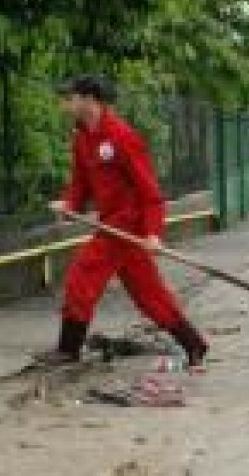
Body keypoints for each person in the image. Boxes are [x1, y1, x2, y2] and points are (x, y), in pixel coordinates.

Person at [43, 75, 208, 368]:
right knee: (149, 294)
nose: (65, 103)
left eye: (70, 97)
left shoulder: (122, 135)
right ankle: (193, 343)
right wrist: (69, 204)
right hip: (110, 225)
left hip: (126, 227)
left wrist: (153, 233)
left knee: (80, 279)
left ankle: (68, 349)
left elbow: (150, 192)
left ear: (89, 99)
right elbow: (80, 183)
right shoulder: (82, 137)